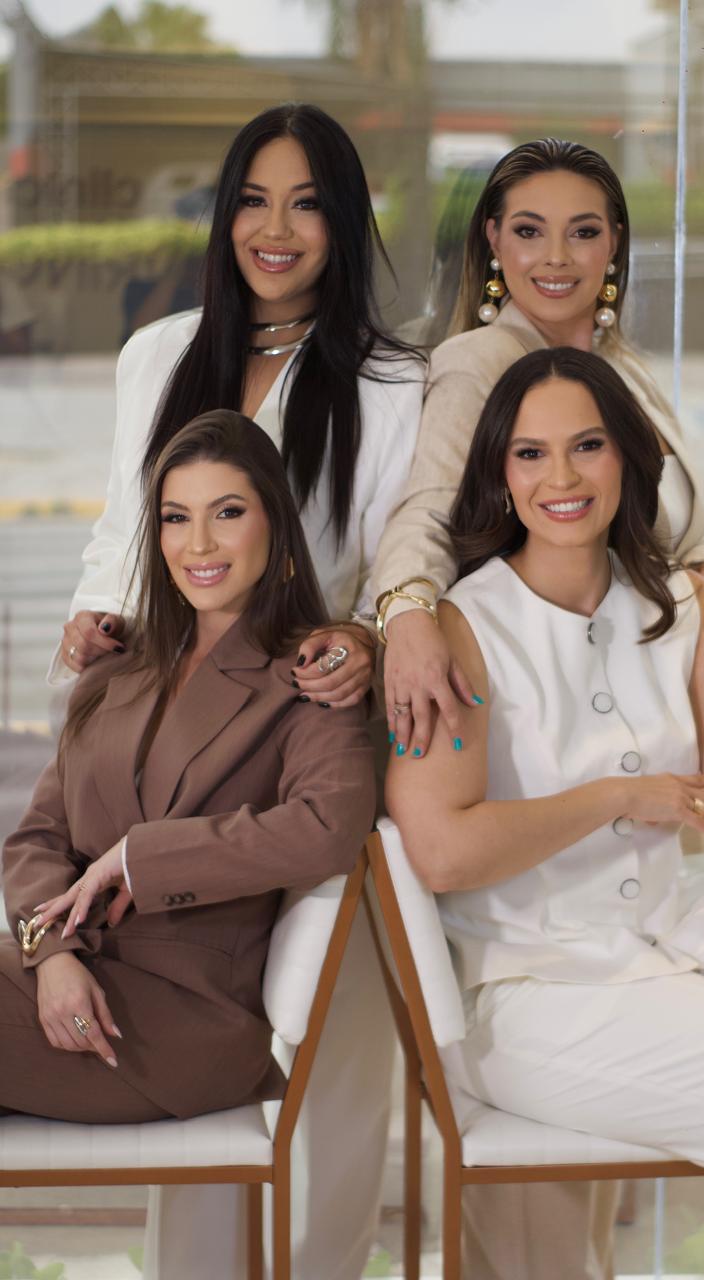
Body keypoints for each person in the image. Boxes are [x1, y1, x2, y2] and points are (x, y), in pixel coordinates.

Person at [47, 103, 424, 1280]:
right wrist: (95, 606)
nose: (276, 227)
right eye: (254, 200)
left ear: (344, 223)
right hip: (168, 703)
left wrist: (363, 638)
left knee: (331, 1059)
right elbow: (126, 524)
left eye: (307, 203)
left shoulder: (391, 382)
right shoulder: (158, 353)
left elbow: (400, 555)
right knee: (156, 1004)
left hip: (301, 722)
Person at [387, 347, 704, 1280]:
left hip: (688, 927)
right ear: (498, 474)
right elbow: (440, 850)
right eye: (529, 454)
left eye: (586, 446)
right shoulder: (459, 628)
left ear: (628, 458)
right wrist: (619, 797)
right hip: (535, 985)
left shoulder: (684, 602)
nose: (560, 478)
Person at [3, 411, 374, 1125]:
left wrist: (140, 859)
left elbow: (328, 827)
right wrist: (52, 955)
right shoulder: (114, 669)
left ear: (274, 524)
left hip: (180, 1019)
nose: (198, 544)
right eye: (177, 518)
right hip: (65, 975)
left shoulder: (310, 674)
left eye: (226, 513)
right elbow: (37, 838)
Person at [376, 137, 704, 767]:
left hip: (659, 687)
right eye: (529, 231)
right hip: (558, 717)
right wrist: (407, 615)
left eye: (583, 232)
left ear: (614, 243)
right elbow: (429, 511)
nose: (555, 257)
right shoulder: (478, 364)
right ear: (494, 239)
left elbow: (652, 517)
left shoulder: (624, 369)